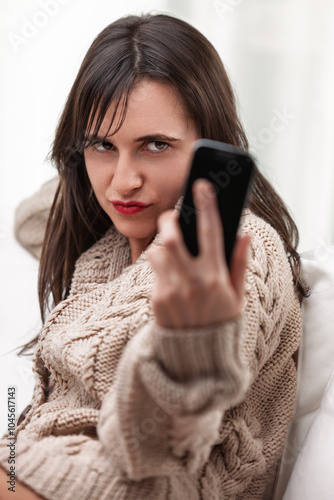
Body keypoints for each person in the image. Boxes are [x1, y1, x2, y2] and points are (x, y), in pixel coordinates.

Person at [0, 13, 308, 500]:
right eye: (103, 144)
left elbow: (158, 451)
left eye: (156, 145)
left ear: (212, 145)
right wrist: (85, 173)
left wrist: (190, 349)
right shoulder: (111, 240)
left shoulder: (238, 253)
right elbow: (31, 218)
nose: (123, 180)